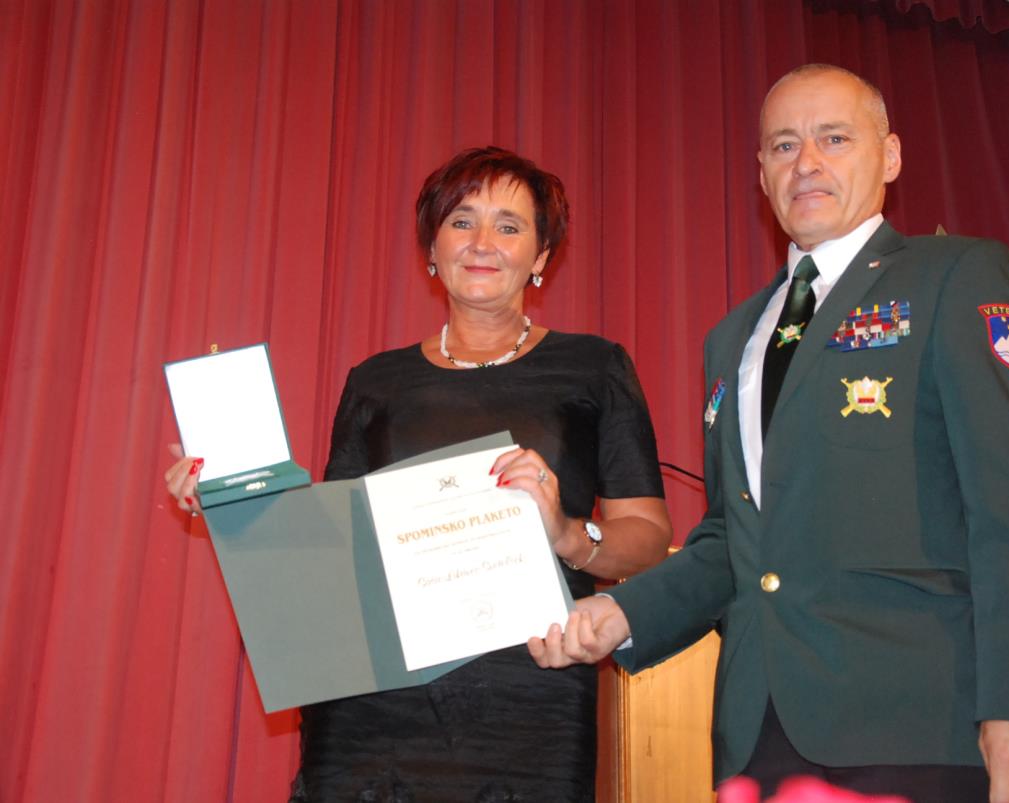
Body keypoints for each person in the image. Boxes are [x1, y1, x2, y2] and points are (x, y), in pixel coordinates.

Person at [529, 65, 1009, 803]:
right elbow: (736, 538)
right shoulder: (733, 338)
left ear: (890, 156)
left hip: (918, 722)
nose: (806, 162)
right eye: (784, 146)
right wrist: (622, 612)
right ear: (761, 174)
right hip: (759, 729)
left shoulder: (955, 275)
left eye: (834, 139)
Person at [164, 146, 673, 802]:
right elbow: (334, 549)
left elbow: (648, 536)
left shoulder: (594, 368)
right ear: (432, 248)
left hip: (529, 700)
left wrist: (568, 534)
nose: (483, 242)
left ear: (542, 257)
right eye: (462, 221)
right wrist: (235, 497)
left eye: (509, 226)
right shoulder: (376, 381)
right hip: (372, 708)